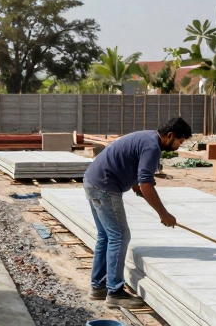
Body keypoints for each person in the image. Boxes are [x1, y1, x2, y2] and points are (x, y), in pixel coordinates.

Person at [82, 117, 192, 307]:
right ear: (170, 136)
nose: (179, 146)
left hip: (93, 181)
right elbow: (146, 183)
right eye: (180, 142)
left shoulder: (147, 138)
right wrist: (163, 214)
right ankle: (115, 293)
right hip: (105, 187)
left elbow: (130, 164)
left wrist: (135, 185)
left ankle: (98, 287)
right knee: (119, 236)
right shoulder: (152, 147)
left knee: (106, 236)